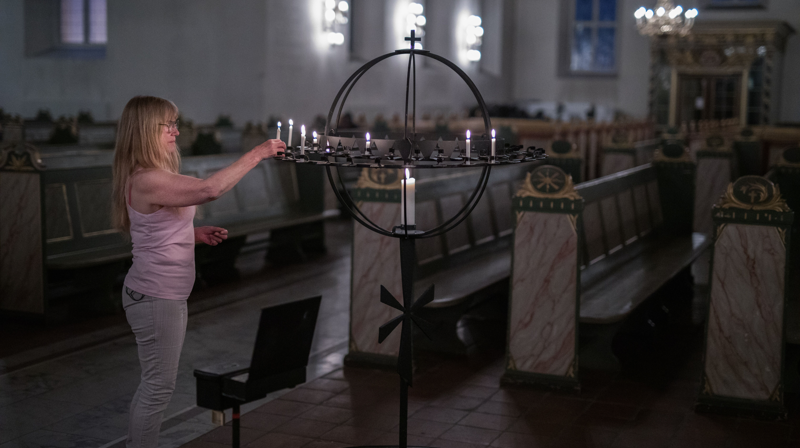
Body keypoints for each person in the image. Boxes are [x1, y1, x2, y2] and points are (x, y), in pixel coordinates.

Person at [111, 96, 285, 448]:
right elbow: (209, 190)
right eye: (168, 125)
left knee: (153, 385)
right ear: (147, 130)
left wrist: (192, 235)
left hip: (158, 293)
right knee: (158, 388)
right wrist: (258, 153)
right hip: (156, 296)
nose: (176, 130)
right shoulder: (147, 179)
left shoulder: (151, 176)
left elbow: (153, 232)